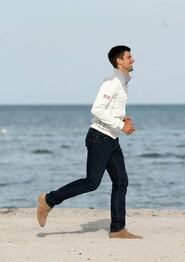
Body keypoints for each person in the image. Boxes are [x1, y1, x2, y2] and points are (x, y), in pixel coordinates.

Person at [37, 45, 141, 239]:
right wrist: (120, 124)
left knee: (121, 182)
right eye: (129, 57)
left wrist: (123, 118)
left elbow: (110, 108)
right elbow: (97, 109)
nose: (133, 59)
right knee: (92, 182)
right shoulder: (112, 82)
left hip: (111, 138)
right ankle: (49, 200)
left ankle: (118, 229)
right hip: (100, 138)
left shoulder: (122, 81)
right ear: (119, 61)